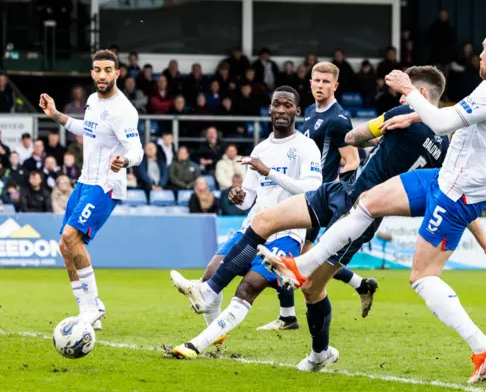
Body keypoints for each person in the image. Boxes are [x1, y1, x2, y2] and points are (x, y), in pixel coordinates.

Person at [257, 24, 486, 382]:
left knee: (422, 277)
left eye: (484, 51)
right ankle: (302, 264)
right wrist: (416, 112)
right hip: (446, 178)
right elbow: (462, 121)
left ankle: (482, 347)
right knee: (367, 202)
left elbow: (443, 122)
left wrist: (409, 92)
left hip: (457, 191)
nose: (479, 56)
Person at [168, 67, 452, 364]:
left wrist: (384, 128)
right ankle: (210, 291)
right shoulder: (444, 143)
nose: (403, 98)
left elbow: (354, 137)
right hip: (349, 200)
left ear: (420, 95)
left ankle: (319, 352)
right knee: (265, 223)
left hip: (355, 203)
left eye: (406, 93)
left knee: (311, 287)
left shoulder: (396, 114)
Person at [170, 86, 322, 353]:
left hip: (287, 233)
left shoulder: (306, 146)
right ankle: (216, 335)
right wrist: (239, 195)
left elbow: (312, 189)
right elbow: (250, 198)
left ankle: (198, 344)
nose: (282, 110)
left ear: (297, 111)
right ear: (271, 109)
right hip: (252, 228)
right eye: (277, 105)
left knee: (248, 286)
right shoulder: (261, 148)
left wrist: (269, 171)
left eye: (288, 105)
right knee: (212, 273)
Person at [256, 61, 368, 330]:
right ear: (310, 83)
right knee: (307, 256)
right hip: (301, 195)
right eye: (317, 81)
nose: (320, 86)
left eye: (326, 82)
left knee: (285, 252)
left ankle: (287, 316)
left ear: (336, 86)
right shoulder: (308, 111)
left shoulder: (338, 120)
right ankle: (360, 284)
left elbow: (351, 161)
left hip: (316, 200)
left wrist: (339, 198)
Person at [39, 49, 143, 330]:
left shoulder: (124, 110)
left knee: (72, 237)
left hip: (106, 184)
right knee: (64, 244)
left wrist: (127, 161)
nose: (102, 74)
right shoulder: (92, 101)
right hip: (85, 181)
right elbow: (87, 129)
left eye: (108, 70)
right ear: (92, 73)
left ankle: (94, 305)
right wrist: (55, 114)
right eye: (98, 69)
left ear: (117, 74)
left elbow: (137, 149)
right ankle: (87, 309)